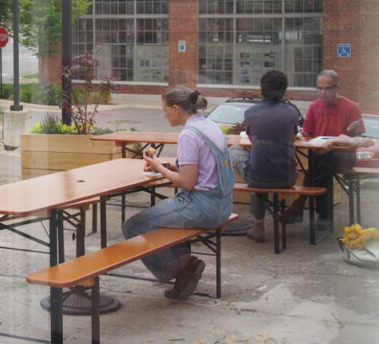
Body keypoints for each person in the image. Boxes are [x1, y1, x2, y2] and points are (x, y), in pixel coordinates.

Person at [126, 86, 235, 300]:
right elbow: (204, 171)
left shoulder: (188, 135)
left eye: (165, 110)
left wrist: (158, 167)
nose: (164, 114)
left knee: (133, 226)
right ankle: (185, 264)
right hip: (222, 205)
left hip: (202, 208)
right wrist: (171, 167)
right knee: (162, 222)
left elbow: (186, 182)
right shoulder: (210, 125)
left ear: (176, 109)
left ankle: (182, 270)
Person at [280, 69, 372, 228]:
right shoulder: (314, 107)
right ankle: (324, 216)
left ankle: (301, 205)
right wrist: (302, 134)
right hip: (321, 155)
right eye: (320, 88)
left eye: (327, 88)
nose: (323, 92)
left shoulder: (350, 107)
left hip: (344, 157)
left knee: (320, 165)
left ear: (337, 88)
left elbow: (359, 138)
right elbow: (308, 133)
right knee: (321, 166)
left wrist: (352, 131)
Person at [229, 70, 299, 244]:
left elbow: (252, 140)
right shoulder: (291, 112)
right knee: (258, 163)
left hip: (258, 177)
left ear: (261, 90)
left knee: (236, 150)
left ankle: (259, 223)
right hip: (288, 176)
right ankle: (262, 222)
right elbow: (293, 137)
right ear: (284, 91)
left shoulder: (252, 112)